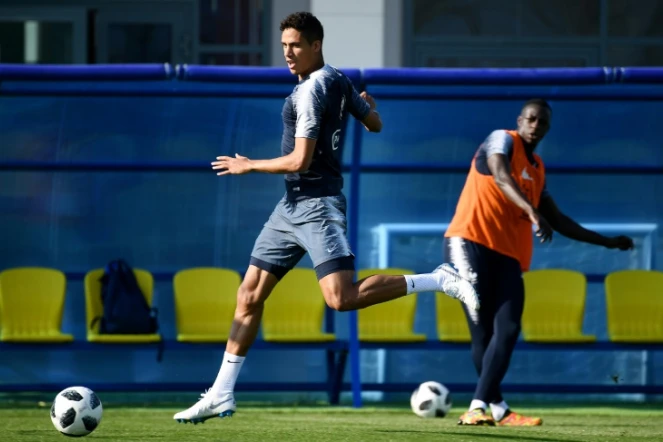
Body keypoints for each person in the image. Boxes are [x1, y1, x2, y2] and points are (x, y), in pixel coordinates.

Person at [173, 11, 479, 424]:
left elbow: (300, 159)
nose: (288, 53)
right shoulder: (337, 79)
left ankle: (439, 279)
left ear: (316, 44)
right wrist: (365, 107)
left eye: (296, 45)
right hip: (290, 208)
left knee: (341, 299)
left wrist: (249, 165)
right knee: (248, 295)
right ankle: (221, 394)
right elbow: (374, 124)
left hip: (318, 206)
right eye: (284, 46)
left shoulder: (314, 89)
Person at [445, 98, 635, 427]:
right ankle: (482, 407)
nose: (535, 126)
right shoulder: (500, 140)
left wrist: (607, 242)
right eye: (531, 119)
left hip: (506, 255)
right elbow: (502, 177)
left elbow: (559, 220)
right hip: (469, 243)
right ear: (520, 120)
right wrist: (532, 213)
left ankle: (496, 410)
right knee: (483, 332)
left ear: (547, 128)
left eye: (542, 122)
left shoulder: (538, 170)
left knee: (508, 329)